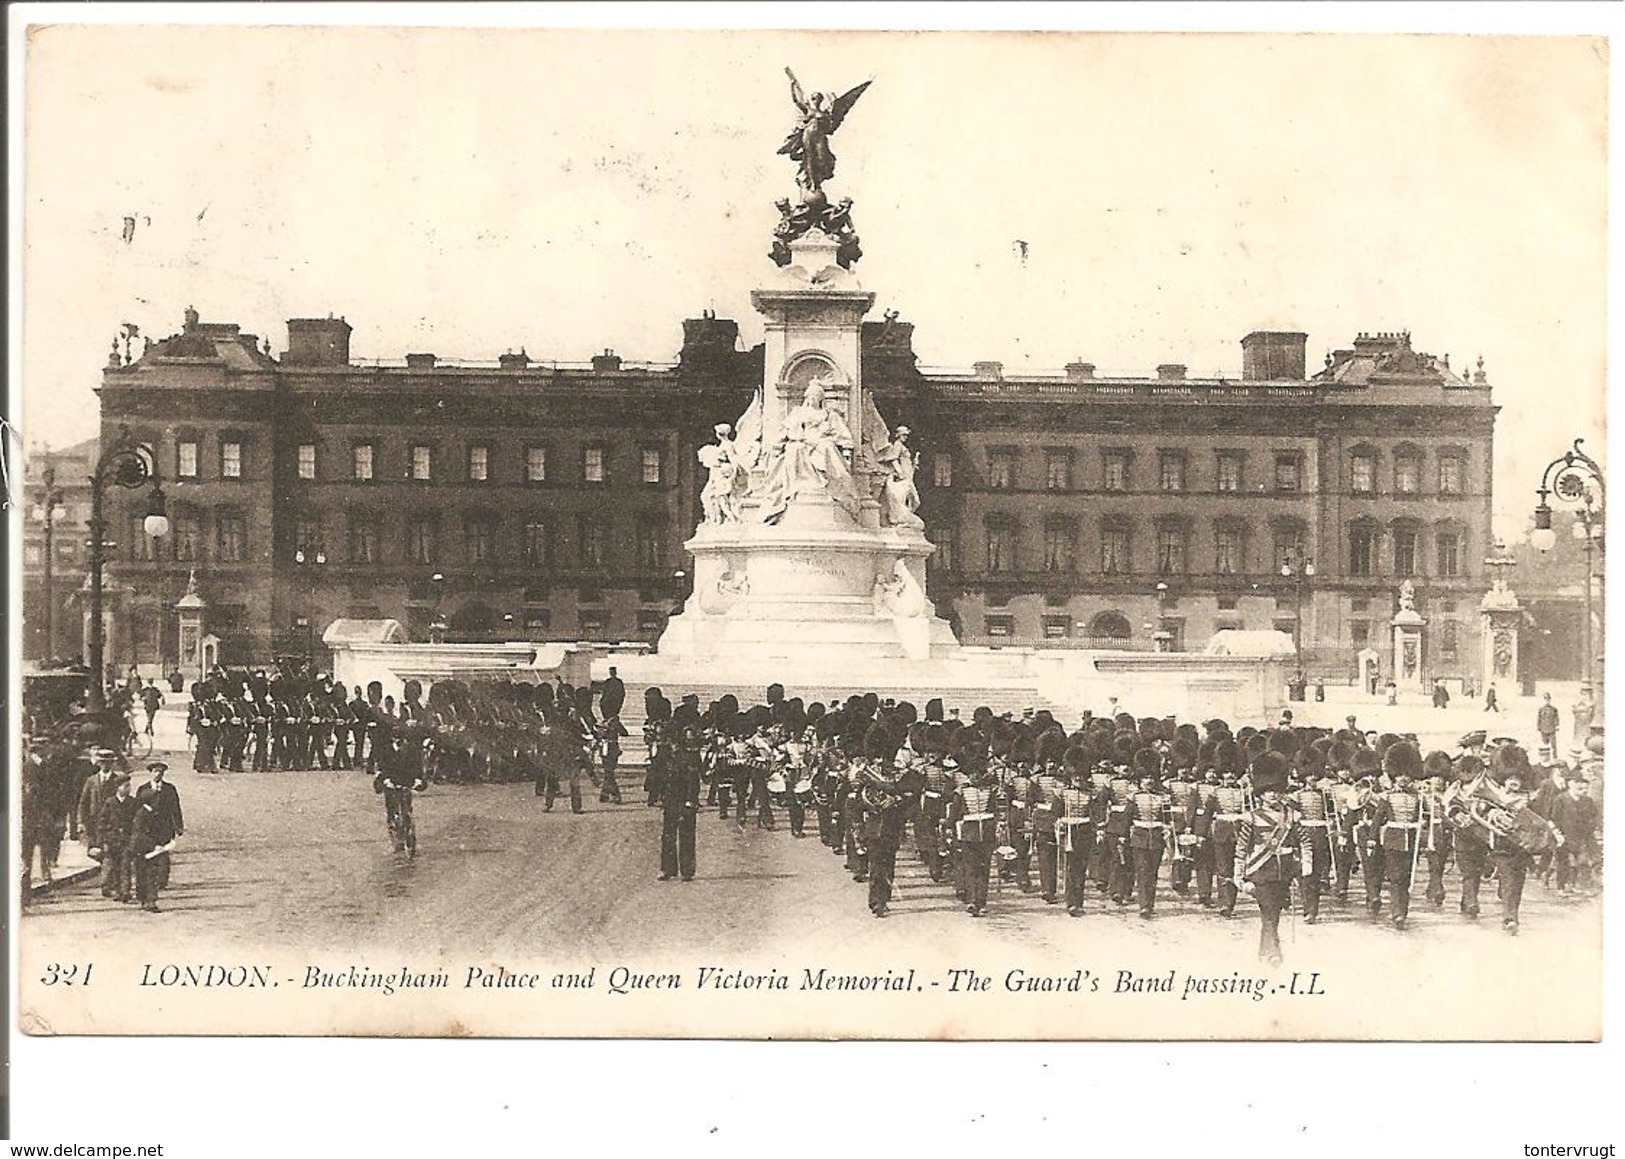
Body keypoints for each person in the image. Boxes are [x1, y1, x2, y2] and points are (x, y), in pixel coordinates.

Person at [1232, 753, 1303, 966]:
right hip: (1260, 872)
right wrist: (1239, 876)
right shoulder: (1252, 818)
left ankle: (1264, 951)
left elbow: (1301, 843)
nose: (1273, 794)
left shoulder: (1291, 816)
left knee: (1273, 914)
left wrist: (1300, 868)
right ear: (1261, 794)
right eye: (1268, 791)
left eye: (1277, 790)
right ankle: (1274, 952)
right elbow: (1242, 848)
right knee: (1269, 911)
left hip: (1283, 872)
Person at [658, 725, 701, 882]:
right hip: (670, 801)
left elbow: (693, 781)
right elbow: (661, 779)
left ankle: (687, 870)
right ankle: (667, 869)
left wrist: (691, 800)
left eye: (671, 741)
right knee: (668, 836)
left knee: (686, 835)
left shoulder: (688, 758)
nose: (670, 744)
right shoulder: (666, 758)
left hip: (685, 801)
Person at [135, 761, 184, 891]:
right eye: (155, 771)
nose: (158, 774)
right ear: (151, 773)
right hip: (148, 827)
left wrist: (179, 826)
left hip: (165, 826)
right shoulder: (143, 789)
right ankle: (150, 878)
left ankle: (162, 880)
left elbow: (176, 808)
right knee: (150, 851)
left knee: (163, 853)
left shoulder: (170, 789)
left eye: (160, 772)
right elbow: (137, 808)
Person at [95, 776, 137, 902]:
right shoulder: (110, 802)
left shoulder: (133, 802)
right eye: (125, 786)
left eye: (129, 786)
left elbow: (136, 821)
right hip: (112, 840)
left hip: (127, 839)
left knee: (126, 866)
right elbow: (102, 822)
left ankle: (125, 891)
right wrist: (103, 840)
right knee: (115, 865)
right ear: (118, 788)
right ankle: (118, 890)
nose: (128, 789)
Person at [127, 795, 167, 913]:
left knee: (148, 874)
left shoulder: (150, 812)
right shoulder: (142, 814)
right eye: (156, 799)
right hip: (144, 849)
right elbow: (139, 834)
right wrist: (154, 845)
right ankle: (148, 901)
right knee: (147, 875)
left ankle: (147, 900)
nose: (158, 802)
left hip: (146, 848)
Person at [1537, 693, 1560, 758]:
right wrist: (1538, 727)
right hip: (1543, 729)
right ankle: (1545, 757)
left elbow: (1556, 718)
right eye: (1545, 700)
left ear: (1550, 700)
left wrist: (1557, 725)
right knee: (1544, 744)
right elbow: (1539, 719)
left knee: (1553, 744)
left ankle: (1555, 757)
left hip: (1551, 729)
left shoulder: (1554, 709)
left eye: (1548, 699)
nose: (1547, 701)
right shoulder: (1541, 709)